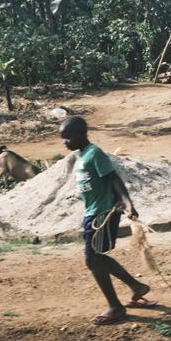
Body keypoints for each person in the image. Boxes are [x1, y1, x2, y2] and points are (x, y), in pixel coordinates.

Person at [59, 116, 156, 325]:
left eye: (68, 137)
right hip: (92, 213)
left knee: (92, 259)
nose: (64, 142)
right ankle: (136, 287)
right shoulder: (81, 156)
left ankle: (116, 307)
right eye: (63, 138)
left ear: (81, 134)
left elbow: (114, 179)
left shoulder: (95, 154)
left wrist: (127, 204)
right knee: (97, 257)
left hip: (103, 214)